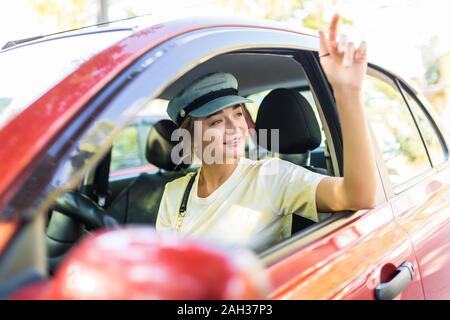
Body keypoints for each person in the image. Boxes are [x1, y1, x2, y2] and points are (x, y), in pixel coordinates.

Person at [156, 14, 377, 248]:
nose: (234, 128)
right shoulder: (175, 192)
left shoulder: (271, 176)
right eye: (216, 122)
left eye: (238, 114)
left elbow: (359, 196)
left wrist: (348, 92)